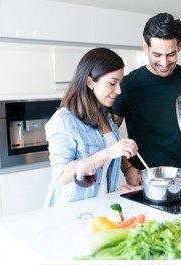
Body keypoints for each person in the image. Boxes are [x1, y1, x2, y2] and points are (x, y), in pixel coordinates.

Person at [113, 12, 181, 186]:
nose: (164, 63)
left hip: (179, 179)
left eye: (171, 54)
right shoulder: (128, 84)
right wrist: (127, 168)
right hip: (140, 179)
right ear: (145, 46)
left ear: (180, 45)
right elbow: (108, 137)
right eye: (157, 55)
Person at [43, 47, 138, 207]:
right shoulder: (64, 119)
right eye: (112, 83)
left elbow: (104, 168)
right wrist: (109, 152)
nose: (119, 90)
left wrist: (124, 177)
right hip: (71, 210)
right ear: (90, 82)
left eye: (120, 83)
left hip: (100, 206)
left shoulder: (105, 114)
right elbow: (62, 174)